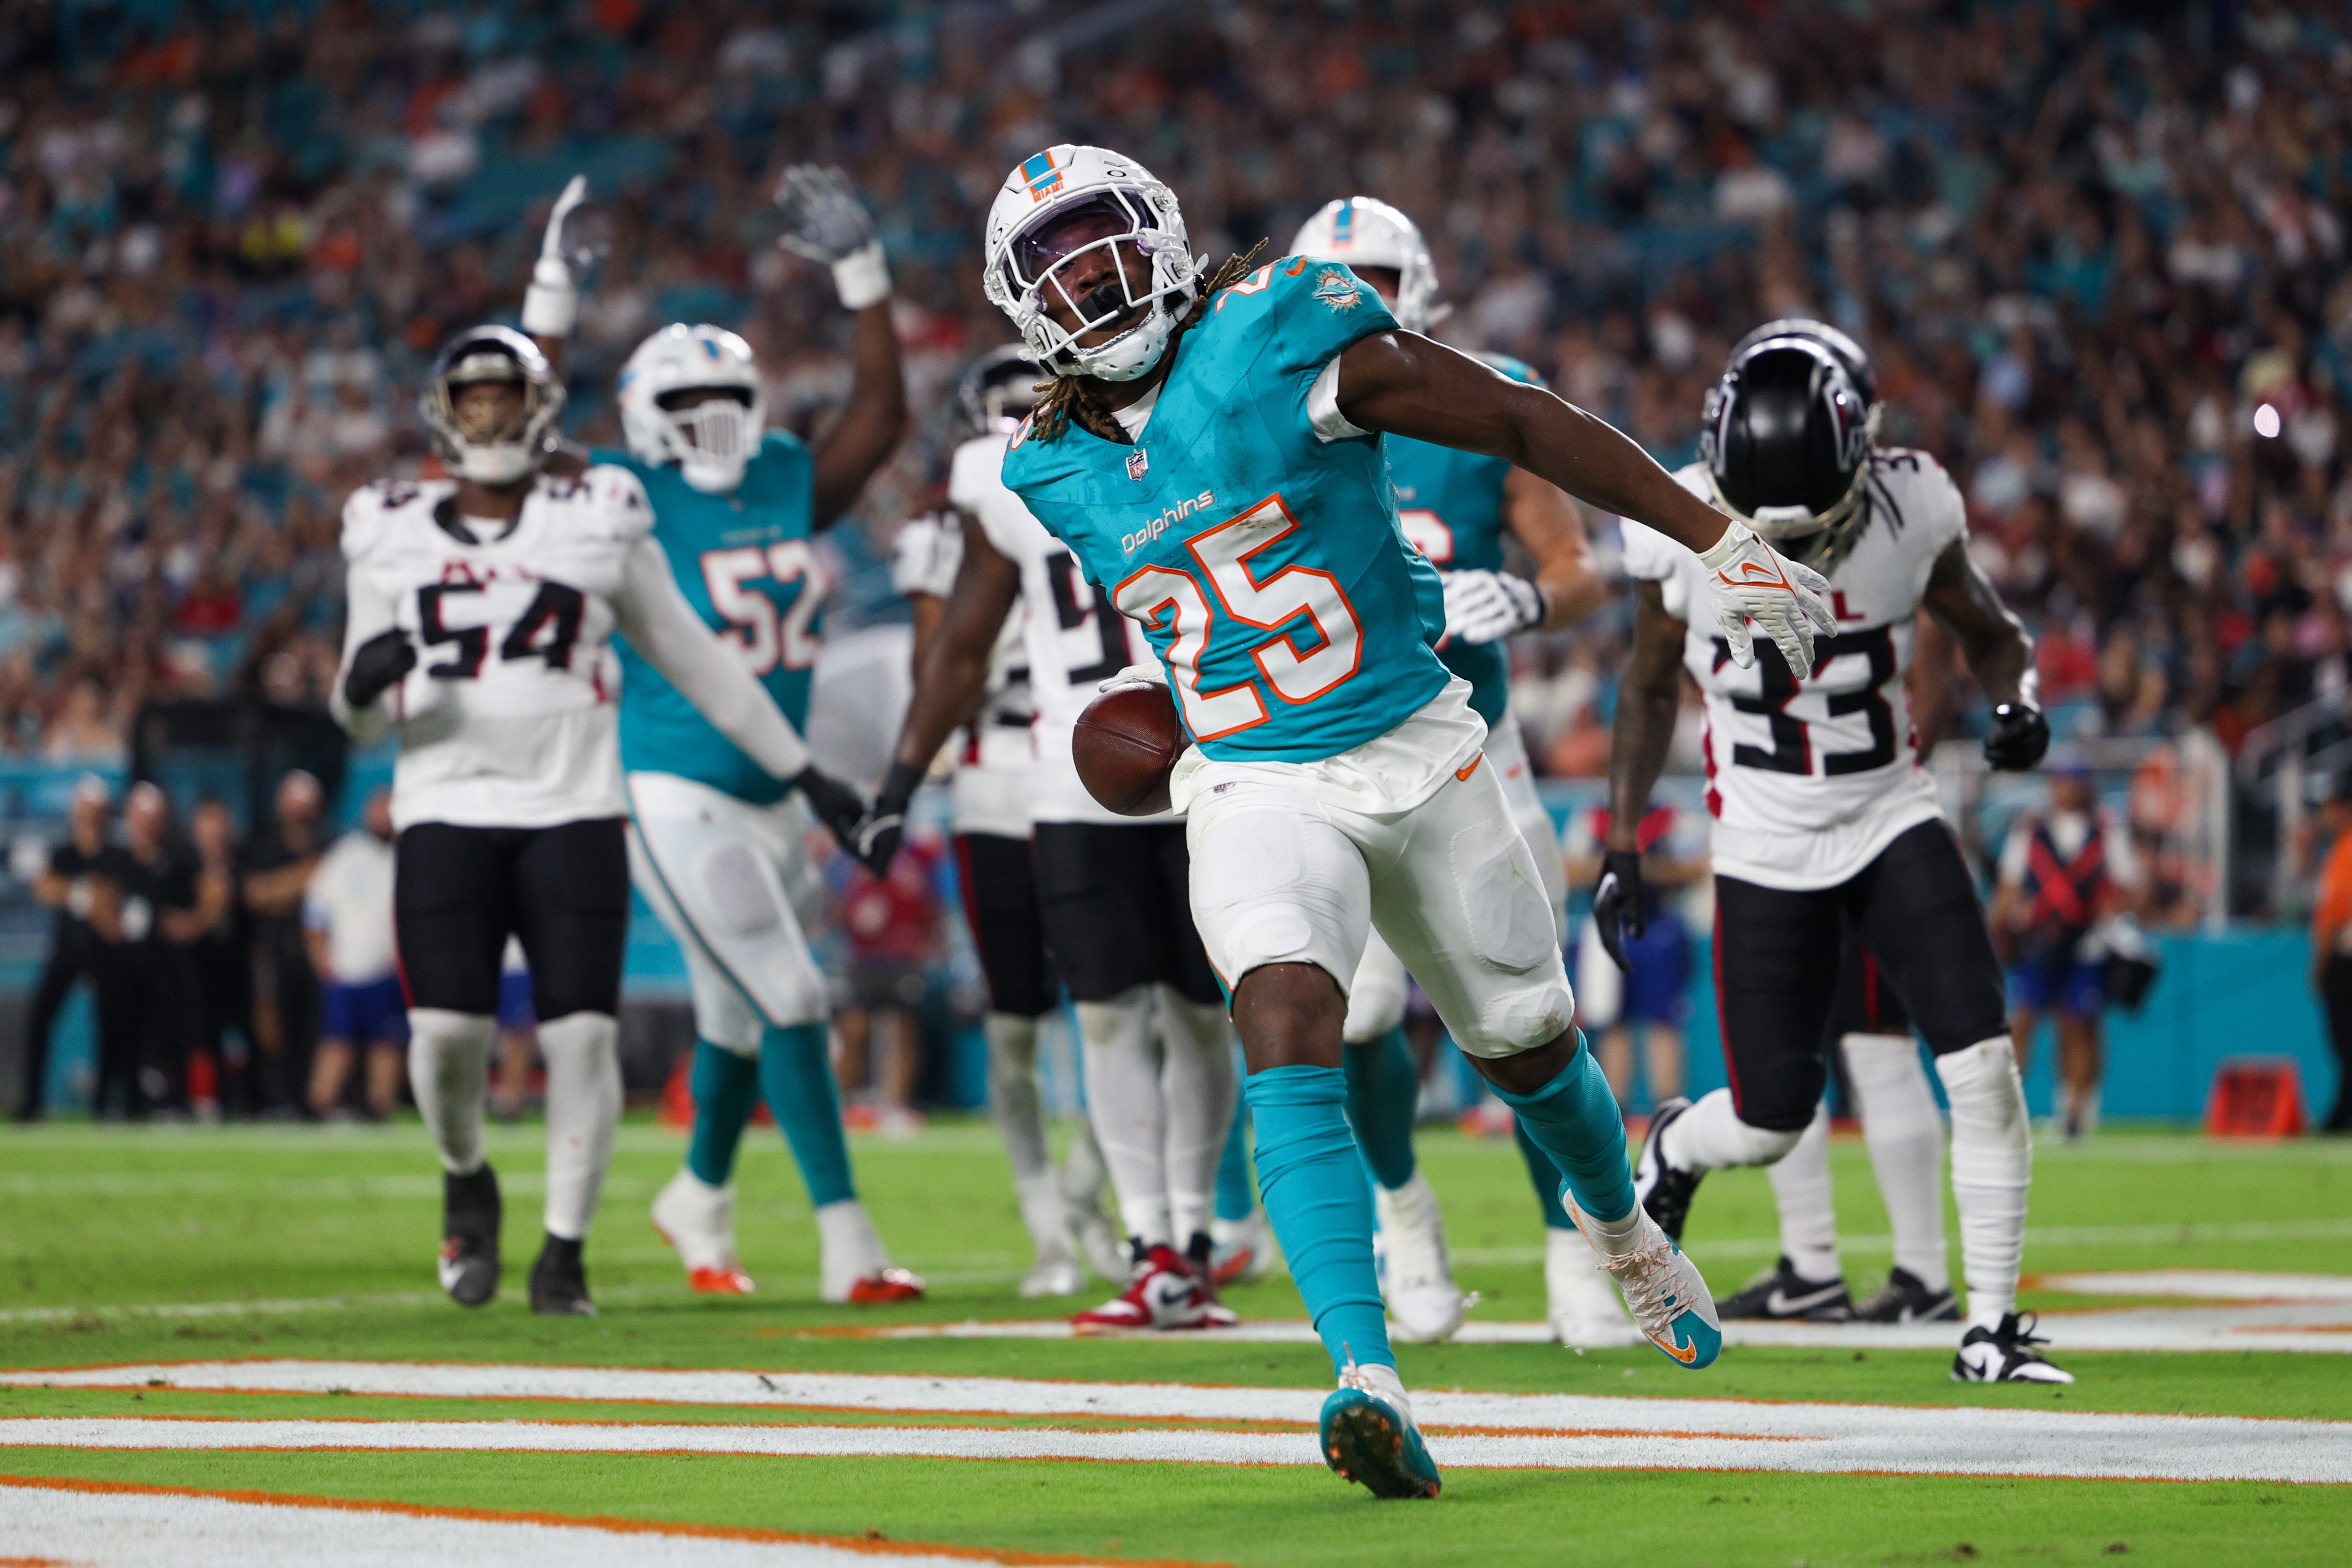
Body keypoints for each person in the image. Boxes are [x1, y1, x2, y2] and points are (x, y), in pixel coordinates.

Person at [879, 144, 1834, 1497]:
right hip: (1250, 775)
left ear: (1159, 230)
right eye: (1055, 263)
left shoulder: (1281, 327)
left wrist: (1705, 532)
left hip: (1416, 742)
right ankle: (1361, 1372)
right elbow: (1182, 614)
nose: (1089, 275)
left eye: (1103, 239)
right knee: (1283, 1012)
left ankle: (1621, 1230)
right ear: (1016, 304)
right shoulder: (1041, 472)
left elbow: (1515, 419)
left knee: (1523, 1039)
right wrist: (1142, 716)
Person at [331, 321, 870, 1316]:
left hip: (577, 804)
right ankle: (466, 1176)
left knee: (581, 1040)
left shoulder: (599, 511)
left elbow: (700, 662)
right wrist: (361, 688)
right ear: (441, 417)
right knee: (445, 1038)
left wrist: (810, 775)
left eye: (506, 399)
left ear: (539, 413)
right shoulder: (388, 523)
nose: (490, 418)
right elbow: (355, 708)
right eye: (472, 401)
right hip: (445, 803)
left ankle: (564, 1252)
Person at [1603, 320, 2068, 1383]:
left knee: (1980, 1061)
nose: (1792, 554)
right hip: (1763, 841)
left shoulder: (1915, 508)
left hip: (1887, 814)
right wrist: (1623, 837)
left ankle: (1990, 1323)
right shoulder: (1674, 521)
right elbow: (1644, 682)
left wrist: (2018, 697)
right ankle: (1674, 1144)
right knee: (1771, 1118)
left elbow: (1991, 631)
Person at [521, 167, 920, 1305]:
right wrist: (552, 295)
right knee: (794, 996)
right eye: (682, 402)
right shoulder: (616, 491)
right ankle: (850, 1245)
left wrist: (862, 278)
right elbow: (522, 426)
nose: (709, 421)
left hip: (771, 792)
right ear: (643, 420)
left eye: (725, 396)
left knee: (736, 1013)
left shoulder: (786, 475)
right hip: (674, 781)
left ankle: (696, 1194)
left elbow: (881, 419)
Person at [864, 331, 1244, 1335]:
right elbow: (963, 642)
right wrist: (902, 777)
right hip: (1074, 772)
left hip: (1209, 755)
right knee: (1112, 1013)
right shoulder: (1004, 479)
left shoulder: (1186, 433)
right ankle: (1148, 1239)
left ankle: (1196, 1232)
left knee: (1203, 1012)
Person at [1283, 196, 1609, 1343]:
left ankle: (1573, 1247)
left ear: (1417, 287)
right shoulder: (1259, 408)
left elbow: (1577, 564)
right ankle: (1405, 1220)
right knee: (1361, 1011)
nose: (1355, 301)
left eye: (1374, 276)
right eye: (1334, 279)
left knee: (1525, 1007)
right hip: (1331, 752)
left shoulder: (1473, 394)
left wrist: (1526, 596)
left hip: (1476, 740)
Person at [890, 349, 1128, 1295]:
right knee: (1017, 1025)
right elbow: (944, 664)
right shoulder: (952, 531)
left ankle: (1091, 1194)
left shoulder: (1120, 489)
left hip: (1102, 778)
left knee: (1131, 1010)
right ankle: (1047, 1220)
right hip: (997, 784)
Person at [1714, 928, 1959, 1325]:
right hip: (1764, 871)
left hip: (1849, 870)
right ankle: (1810, 1268)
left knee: (1874, 1035)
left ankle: (1923, 1272)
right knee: (1781, 1034)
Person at [1990, 763, 2141, 1141]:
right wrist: (2000, 925)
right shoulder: (2030, 828)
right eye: (2060, 782)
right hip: (2037, 942)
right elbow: (2009, 885)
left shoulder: (2106, 827)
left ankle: (2076, 1111)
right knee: (2021, 1023)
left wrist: (2108, 914)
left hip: (2085, 942)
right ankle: (2003, 1111)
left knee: (2079, 1025)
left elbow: (2126, 885)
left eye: (2074, 782)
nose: (2067, 790)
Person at [18, 776, 118, 1121]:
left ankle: (105, 1106)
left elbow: (110, 903)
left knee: (109, 1026)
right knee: (40, 1019)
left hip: (104, 951)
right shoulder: (64, 852)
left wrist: (78, 894)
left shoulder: (113, 855)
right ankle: (32, 1103)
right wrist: (85, 895)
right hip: (67, 948)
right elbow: (45, 889)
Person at [303, 786, 405, 1121]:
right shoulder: (345, 855)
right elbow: (316, 911)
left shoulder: (407, 857)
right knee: (337, 1042)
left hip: (387, 970)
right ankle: (320, 1107)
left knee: (386, 1044)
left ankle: (379, 1110)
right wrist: (321, 958)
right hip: (345, 968)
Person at [242, 770, 327, 1113]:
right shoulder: (264, 846)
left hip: (319, 951)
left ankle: (312, 1101)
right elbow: (255, 895)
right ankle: (282, 1097)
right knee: (275, 1030)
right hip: (275, 951)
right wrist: (305, 876)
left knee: (319, 1030)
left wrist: (281, 889)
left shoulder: (329, 842)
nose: (300, 816)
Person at [183, 798, 251, 1120]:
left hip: (238, 962)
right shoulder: (184, 867)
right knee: (200, 1033)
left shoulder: (242, 865)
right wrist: (205, 913)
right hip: (197, 965)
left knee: (249, 1033)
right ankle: (203, 1098)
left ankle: (249, 1096)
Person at [2313, 775, 2352, 1133]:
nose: (2322, 816)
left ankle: (2342, 1112)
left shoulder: (2346, 850)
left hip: (2346, 960)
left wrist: (2319, 965)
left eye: (2328, 808)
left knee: (2344, 1038)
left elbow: (2333, 915)